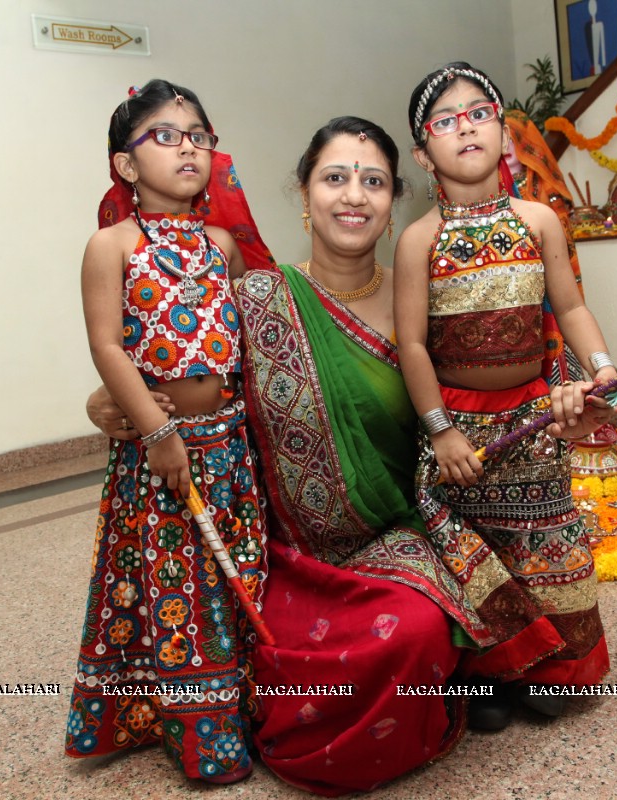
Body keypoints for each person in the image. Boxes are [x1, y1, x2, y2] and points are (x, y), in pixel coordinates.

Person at [91, 116, 480, 795]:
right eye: (335, 178)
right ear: (304, 195)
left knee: (411, 630)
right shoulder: (258, 298)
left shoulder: (422, 301)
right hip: (282, 549)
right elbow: (181, 362)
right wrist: (106, 403)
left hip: (393, 534)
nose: (353, 196)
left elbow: (485, 391)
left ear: (394, 204)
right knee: (268, 644)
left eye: (374, 182)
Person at [394, 62, 617, 716]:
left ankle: (552, 673)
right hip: (461, 433)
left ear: (503, 134)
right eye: (444, 120)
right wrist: (440, 431)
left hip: (532, 422)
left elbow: (571, 309)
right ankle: (489, 677)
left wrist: (600, 367)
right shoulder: (419, 240)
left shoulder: (538, 221)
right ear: (422, 151)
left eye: (478, 113)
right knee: (477, 557)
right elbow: (412, 346)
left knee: (543, 544)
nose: (463, 127)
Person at [65, 79, 265, 785]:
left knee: (236, 577)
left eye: (199, 136)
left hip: (229, 447)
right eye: (166, 135)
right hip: (160, 456)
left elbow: (250, 343)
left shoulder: (222, 246)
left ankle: (245, 710)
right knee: (173, 584)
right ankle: (197, 734)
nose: (188, 146)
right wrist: (155, 431)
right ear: (125, 165)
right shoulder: (110, 246)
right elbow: (109, 349)